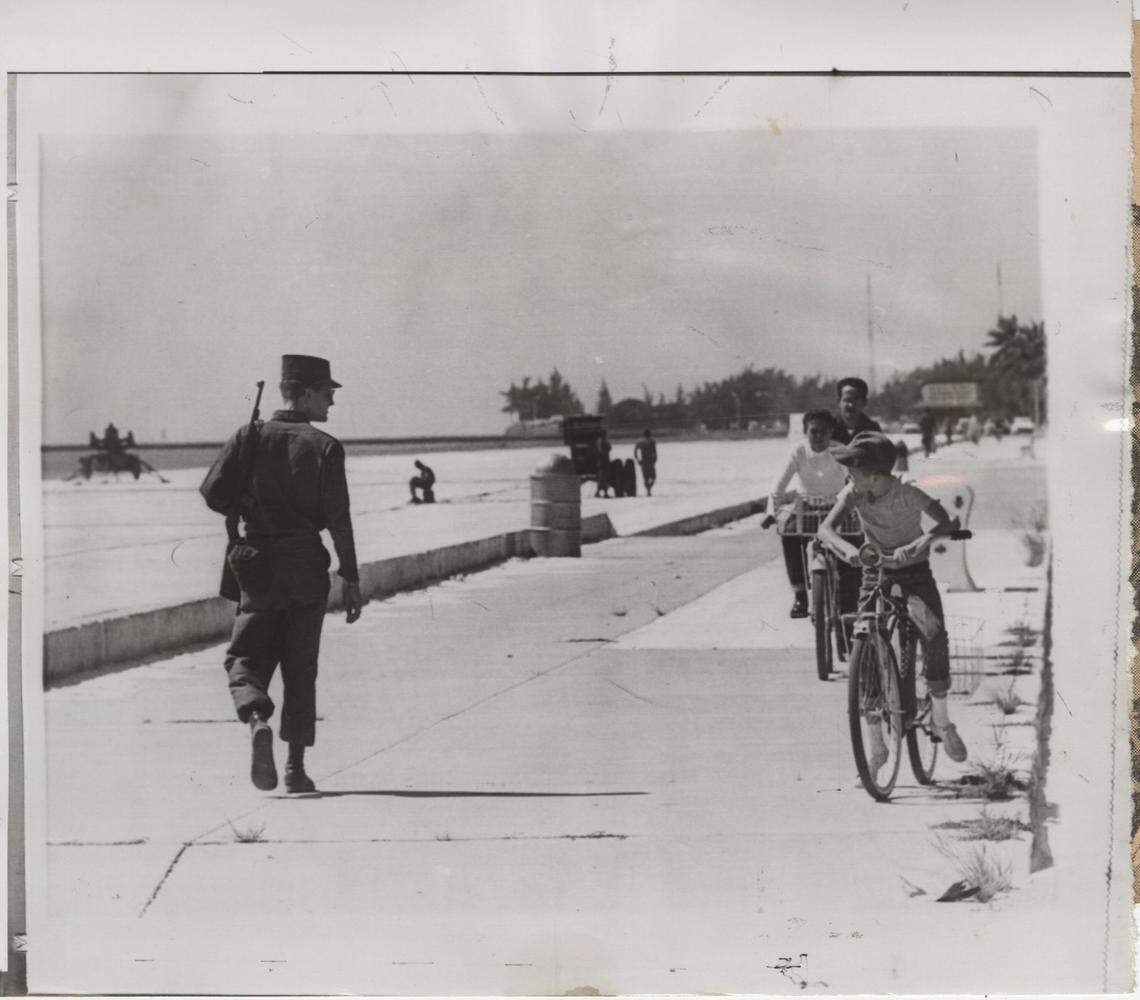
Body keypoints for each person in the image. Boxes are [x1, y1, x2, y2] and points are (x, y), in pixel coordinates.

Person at [200, 354, 364, 794]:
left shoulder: (248, 436)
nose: (331, 402)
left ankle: (256, 717)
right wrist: (350, 576)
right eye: (327, 393)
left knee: (246, 658)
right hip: (306, 565)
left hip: (256, 565)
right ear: (305, 392)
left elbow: (213, 494)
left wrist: (247, 497)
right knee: (300, 666)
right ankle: (295, 769)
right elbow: (339, 519)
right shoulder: (326, 446)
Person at [818, 432, 968, 769]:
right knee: (867, 645)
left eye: (854, 472)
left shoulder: (908, 494)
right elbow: (826, 530)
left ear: (875, 475)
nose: (849, 479)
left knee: (934, 635)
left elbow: (944, 520)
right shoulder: (854, 493)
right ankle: (877, 746)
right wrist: (850, 552)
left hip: (914, 573)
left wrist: (920, 543)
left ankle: (942, 722)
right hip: (875, 573)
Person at [767, 411, 861, 619]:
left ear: (831, 432)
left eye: (823, 432)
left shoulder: (840, 451)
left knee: (856, 540)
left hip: (837, 506)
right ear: (806, 431)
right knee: (789, 536)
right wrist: (771, 512)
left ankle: (853, 596)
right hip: (806, 505)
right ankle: (800, 595)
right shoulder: (798, 451)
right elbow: (778, 486)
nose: (818, 437)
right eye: (813, 431)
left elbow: (856, 478)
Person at [830, 377, 882, 445]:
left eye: (856, 400)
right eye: (847, 400)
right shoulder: (828, 427)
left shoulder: (873, 430)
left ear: (864, 402)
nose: (851, 405)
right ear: (838, 402)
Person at [634, 429, 658, 496]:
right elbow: (655, 452)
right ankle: (649, 490)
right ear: (649, 434)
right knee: (653, 477)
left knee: (646, 477)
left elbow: (635, 452)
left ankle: (648, 490)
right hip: (649, 461)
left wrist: (638, 460)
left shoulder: (640, 442)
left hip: (644, 461)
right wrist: (655, 459)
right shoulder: (651, 441)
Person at [594, 429, 613, 498]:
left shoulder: (598, 441)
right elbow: (609, 448)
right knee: (604, 477)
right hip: (604, 461)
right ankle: (605, 493)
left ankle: (598, 492)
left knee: (601, 477)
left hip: (600, 461)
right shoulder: (603, 441)